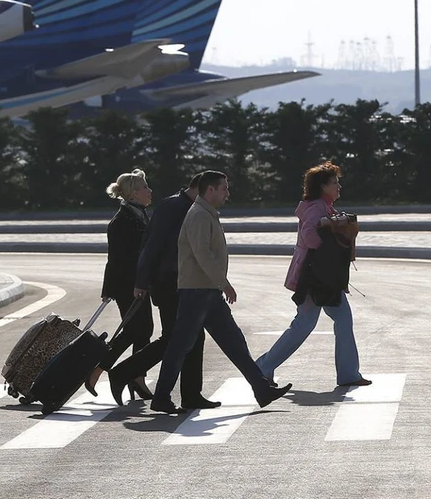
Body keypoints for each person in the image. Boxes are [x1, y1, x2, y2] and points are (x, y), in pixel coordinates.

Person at [149, 171, 292, 414]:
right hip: (196, 291)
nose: (227, 193)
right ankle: (161, 397)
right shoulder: (199, 216)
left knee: (235, 342)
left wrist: (218, 284)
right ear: (210, 190)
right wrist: (224, 283)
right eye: (224, 188)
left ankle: (261, 388)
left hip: (207, 292)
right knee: (180, 346)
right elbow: (202, 253)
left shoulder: (206, 214)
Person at [102, 173, 220, 409]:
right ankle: (126, 374)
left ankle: (189, 394)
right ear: (202, 189)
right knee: (175, 339)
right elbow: (148, 248)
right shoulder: (173, 208)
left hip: (182, 283)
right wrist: (142, 283)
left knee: (190, 338)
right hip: (169, 285)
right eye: (222, 189)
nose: (150, 191)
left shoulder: (182, 208)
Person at [256, 161, 371, 388]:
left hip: (325, 279)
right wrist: (328, 252)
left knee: (342, 319)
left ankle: (348, 373)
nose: (339, 187)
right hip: (315, 278)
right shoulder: (316, 207)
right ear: (322, 186)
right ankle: (263, 368)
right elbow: (309, 235)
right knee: (304, 324)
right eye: (334, 183)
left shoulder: (325, 207)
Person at [85, 169, 155, 399]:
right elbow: (116, 259)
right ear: (134, 194)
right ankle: (99, 369)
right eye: (145, 188)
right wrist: (110, 290)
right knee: (136, 330)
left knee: (143, 331)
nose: (150, 191)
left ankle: (136, 377)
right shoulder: (122, 220)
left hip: (140, 284)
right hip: (129, 286)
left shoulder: (138, 214)